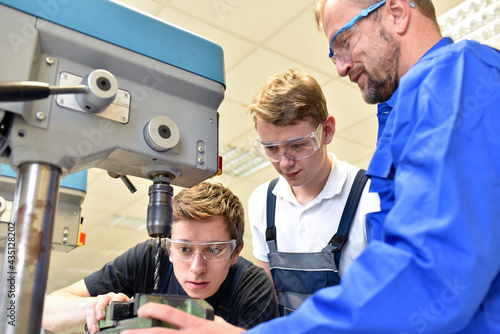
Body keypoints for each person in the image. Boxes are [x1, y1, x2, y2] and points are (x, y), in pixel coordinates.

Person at [119, 0, 500, 333]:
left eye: (344, 42)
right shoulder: (404, 111)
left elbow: (433, 274)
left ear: (397, 12)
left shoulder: (454, 82)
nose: (341, 66)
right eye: (333, 53)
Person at [42, 182, 278, 333]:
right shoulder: (150, 257)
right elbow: (46, 312)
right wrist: (93, 306)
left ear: (235, 252)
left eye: (214, 249)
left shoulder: (253, 287)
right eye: (184, 249)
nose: (197, 268)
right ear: (168, 247)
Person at [246, 67, 380, 315]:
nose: (284, 163)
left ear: (326, 130)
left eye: (297, 145)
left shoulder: (369, 197)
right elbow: (267, 303)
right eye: (272, 149)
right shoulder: (262, 202)